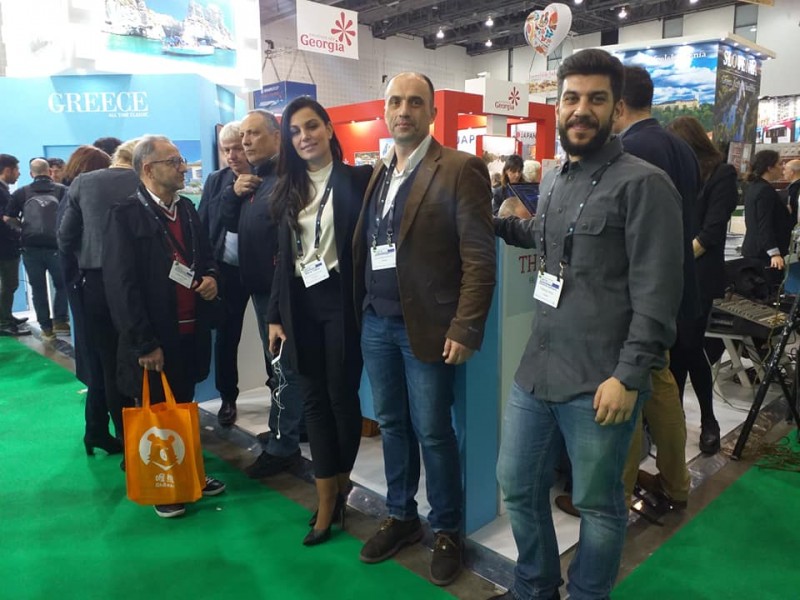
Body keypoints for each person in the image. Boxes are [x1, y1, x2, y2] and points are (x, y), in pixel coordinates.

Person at [493, 49, 683, 600]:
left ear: (616, 108)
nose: (581, 109)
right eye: (571, 98)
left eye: (596, 99)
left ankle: (588, 594)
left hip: (600, 381)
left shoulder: (645, 185)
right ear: (557, 106)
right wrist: (489, 221)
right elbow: (545, 239)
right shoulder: (555, 178)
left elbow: (658, 294)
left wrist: (628, 376)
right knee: (517, 485)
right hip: (538, 371)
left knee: (599, 504)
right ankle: (535, 585)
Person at [354, 72, 496, 586]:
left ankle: (447, 529)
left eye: (415, 102)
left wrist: (466, 326)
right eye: (395, 101)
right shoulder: (380, 168)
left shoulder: (459, 168)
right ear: (384, 111)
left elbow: (479, 259)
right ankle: (401, 516)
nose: (403, 110)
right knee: (392, 423)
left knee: (434, 431)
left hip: (430, 328)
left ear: (432, 113)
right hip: (376, 321)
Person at [266, 97, 371, 546]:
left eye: (311, 126)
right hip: (299, 303)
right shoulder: (286, 187)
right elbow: (281, 260)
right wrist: (274, 315)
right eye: (294, 131)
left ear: (329, 129)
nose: (303, 137)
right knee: (312, 400)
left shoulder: (359, 180)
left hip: (342, 301)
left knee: (341, 398)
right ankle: (327, 498)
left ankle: (339, 488)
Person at [103, 135, 225, 518]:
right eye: (173, 161)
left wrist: (211, 278)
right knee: (157, 410)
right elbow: (121, 286)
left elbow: (206, 257)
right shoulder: (124, 215)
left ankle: (190, 473)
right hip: (155, 337)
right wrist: (143, 343)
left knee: (183, 404)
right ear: (148, 169)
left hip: (189, 331)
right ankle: (164, 485)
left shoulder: (186, 209)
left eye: (180, 160)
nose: (183, 167)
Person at [612, 65, 698, 505]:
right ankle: (676, 482)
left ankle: (617, 492)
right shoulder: (681, 147)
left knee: (625, 384)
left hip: (634, 292)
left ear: (618, 104)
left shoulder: (628, 150)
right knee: (660, 385)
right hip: (672, 284)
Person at [220, 110, 305, 478]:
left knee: (284, 368)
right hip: (260, 291)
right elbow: (227, 224)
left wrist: (278, 303)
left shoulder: (287, 180)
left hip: (280, 294)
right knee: (279, 367)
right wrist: (232, 195)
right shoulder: (254, 182)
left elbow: (290, 248)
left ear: (276, 136)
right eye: (243, 136)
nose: (246, 142)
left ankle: (284, 446)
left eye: (253, 133)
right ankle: (286, 430)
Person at [59, 138, 140, 456]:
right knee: (137, 361)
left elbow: (65, 237)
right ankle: (129, 438)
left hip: (93, 283)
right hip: (137, 283)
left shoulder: (83, 185)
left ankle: (109, 433)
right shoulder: (143, 182)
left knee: (106, 363)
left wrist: (81, 268)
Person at [667, 115, 738, 450]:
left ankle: (708, 420)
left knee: (690, 346)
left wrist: (676, 261)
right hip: (672, 274)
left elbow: (712, 232)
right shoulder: (676, 174)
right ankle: (675, 418)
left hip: (698, 275)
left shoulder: (722, 173)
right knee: (674, 349)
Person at [197, 121, 250, 427]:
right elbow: (204, 222)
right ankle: (228, 397)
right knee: (227, 337)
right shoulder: (216, 181)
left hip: (263, 271)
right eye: (226, 149)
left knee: (273, 339)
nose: (231, 155)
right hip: (226, 269)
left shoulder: (269, 177)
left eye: (237, 148)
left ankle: (279, 397)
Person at [6, 158, 71, 341]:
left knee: (38, 288)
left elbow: (8, 218)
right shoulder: (63, 191)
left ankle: (46, 329)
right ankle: (60, 320)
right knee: (63, 285)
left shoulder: (21, 192)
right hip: (57, 247)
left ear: (31, 173)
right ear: (49, 172)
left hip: (30, 248)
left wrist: (23, 229)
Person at [741, 150, 790, 273]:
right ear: (770, 168)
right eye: (779, 164)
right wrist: (774, 253)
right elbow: (764, 223)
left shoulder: (753, 187)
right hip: (764, 255)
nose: (782, 167)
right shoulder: (765, 191)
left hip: (754, 250)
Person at [0, 153, 29, 336]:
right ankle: (3, 321)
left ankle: (6, 316)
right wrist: (20, 232)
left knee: (8, 284)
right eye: (17, 170)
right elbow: (5, 219)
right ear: (8, 170)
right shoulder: (2, 192)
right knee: (8, 284)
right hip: (5, 246)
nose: (19, 174)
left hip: (6, 244)